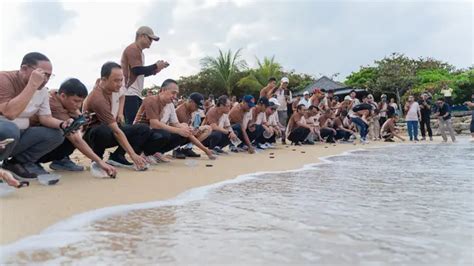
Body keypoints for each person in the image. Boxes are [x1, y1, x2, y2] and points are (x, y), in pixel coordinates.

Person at [0, 52, 67, 179]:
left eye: (48, 76)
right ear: (24, 69)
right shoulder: (4, 79)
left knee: (57, 134)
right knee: (10, 129)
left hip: (19, 136)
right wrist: (32, 85)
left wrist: (62, 124)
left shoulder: (42, 90)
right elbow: (10, 113)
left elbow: (45, 118)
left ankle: (16, 163)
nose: (45, 79)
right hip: (4, 133)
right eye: (41, 74)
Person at [35, 78, 116, 177]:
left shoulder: (61, 96)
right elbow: (75, 138)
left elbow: (78, 115)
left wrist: (81, 119)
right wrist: (100, 162)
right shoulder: (53, 103)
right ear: (63, 96)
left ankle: (61, 159)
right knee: (67, 132)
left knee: (74, 126)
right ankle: (30, 162)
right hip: (31, 138)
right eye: (76, 101)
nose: (78, 105)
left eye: (80, 102)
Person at [83, 62, 150, 170]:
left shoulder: (115, 88)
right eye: (116, 80)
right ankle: (97, 160)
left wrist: (120, 113)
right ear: (104, 80)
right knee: (103, 130)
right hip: (92, 134)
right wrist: (133, 155)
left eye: (121, 80)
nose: (119, 84)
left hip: (111, 128)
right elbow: (116, 132)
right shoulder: (98, 98)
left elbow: (122, 96)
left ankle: (117, 156)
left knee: (143, 129)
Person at [134, 80, 216, 161]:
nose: (175, 96)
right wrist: (180, 130)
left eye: (176, 93)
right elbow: (154, 124)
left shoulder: (169, 104)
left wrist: (185, 128)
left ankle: (156, 152)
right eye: (173, 93)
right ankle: (146, 153)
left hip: (154, 132)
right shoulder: (151, 100)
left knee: (182, 131)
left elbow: (175, 123)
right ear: (163, 90)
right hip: (141, 135)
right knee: (166, 133)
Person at [122, 26, 169, 124]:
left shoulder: (139, 52)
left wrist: (154, 70)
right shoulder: (133, 49)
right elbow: (137, 70)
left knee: (137, 124)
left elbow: (138, 73)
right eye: (150, 38)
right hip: (129, 92)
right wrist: (155, 65)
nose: (151, 41)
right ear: (142, 36)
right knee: (133, 125)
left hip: (134, 93)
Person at [174, 92, 216, 159]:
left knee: (208, 128)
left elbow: (189, 128)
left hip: (185, 133)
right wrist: (206, 150)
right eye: (196, 106)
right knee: (188, 132)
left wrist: (194, 130)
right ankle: (176, 149)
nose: (197, 109)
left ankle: (187, 148)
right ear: (191, 101)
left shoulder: (189, 110)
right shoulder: (181, 111)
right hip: (175, 136)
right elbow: (188, 133)